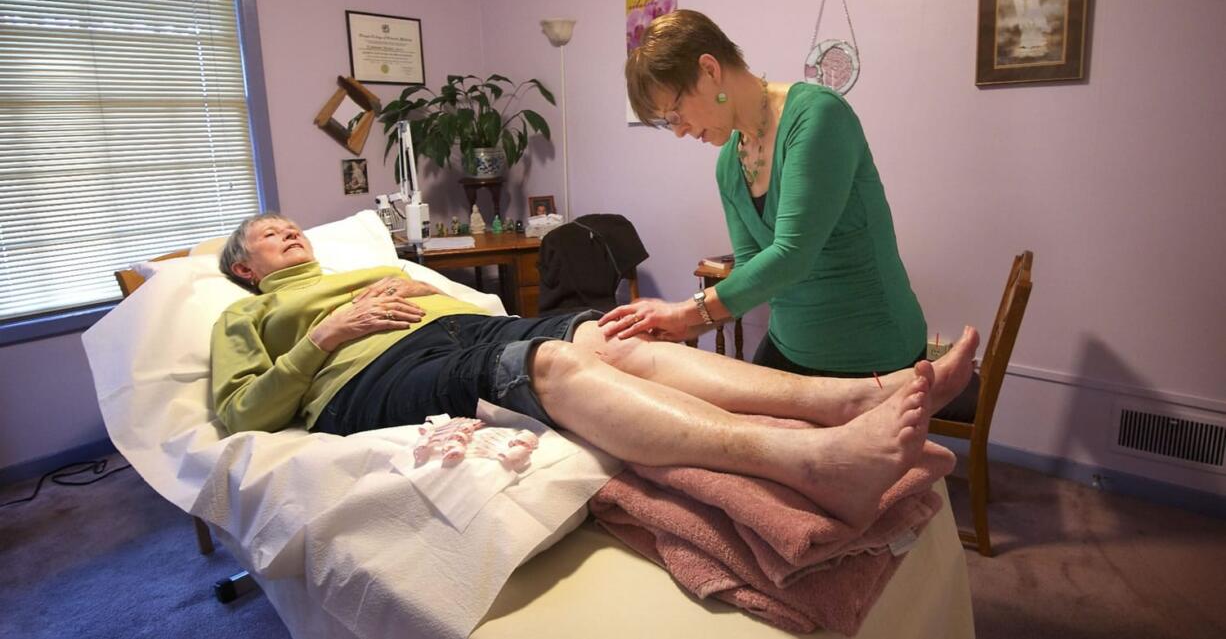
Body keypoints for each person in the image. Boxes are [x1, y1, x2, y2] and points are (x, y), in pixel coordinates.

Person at [211, 213, 978, 527]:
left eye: (291, 226)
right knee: (542, 362)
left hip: (454, 327)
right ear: (246, 268)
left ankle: (854, 397)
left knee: (616, 329)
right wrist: (327, 335)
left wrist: (421, 293)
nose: (290, 233)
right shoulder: (243, 316)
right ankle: (810, 461)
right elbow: (243, 410)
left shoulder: (366, 267)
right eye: (271, 236)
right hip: (363, 377)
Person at [605, 9, 928, 384]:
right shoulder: (729, 163)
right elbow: (749, 268)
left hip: (870, 350)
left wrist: (686, 313)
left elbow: (791, 256)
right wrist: (689, 327)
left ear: (709, 70)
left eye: (675, 113)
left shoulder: (818, 117)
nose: (679, 132)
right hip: (791, 344)